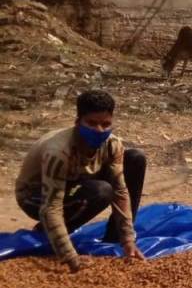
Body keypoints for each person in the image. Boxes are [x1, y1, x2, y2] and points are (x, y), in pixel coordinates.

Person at [14, 89, 146, 272]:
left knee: (135, 159)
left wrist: (128, 239)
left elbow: (120, 190)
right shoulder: (59, 151)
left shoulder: (112, 144)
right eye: (92, 123)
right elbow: (50, 207)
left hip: (76, 180)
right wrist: (69, 256)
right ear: (78, 122)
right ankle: (48, 231)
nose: (99, 130)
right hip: (35, 196)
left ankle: (114, 237)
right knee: (101, 191)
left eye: (106, 124)